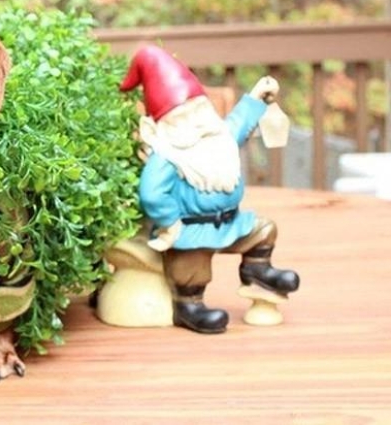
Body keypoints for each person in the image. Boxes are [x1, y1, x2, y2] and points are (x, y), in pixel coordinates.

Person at [120, 45, 299, 334]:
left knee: (264, 229)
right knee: (191, 266)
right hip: (191, 232)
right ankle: (189, 304)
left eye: (200, 112)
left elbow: (237, 124)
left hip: (232, 223)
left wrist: (256, 99)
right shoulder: (168, 155)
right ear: (167, 125)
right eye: (185, 116)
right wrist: (170, 223)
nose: (198, 124)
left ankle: (257, 271)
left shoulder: (218, 137)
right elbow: (152, 193)